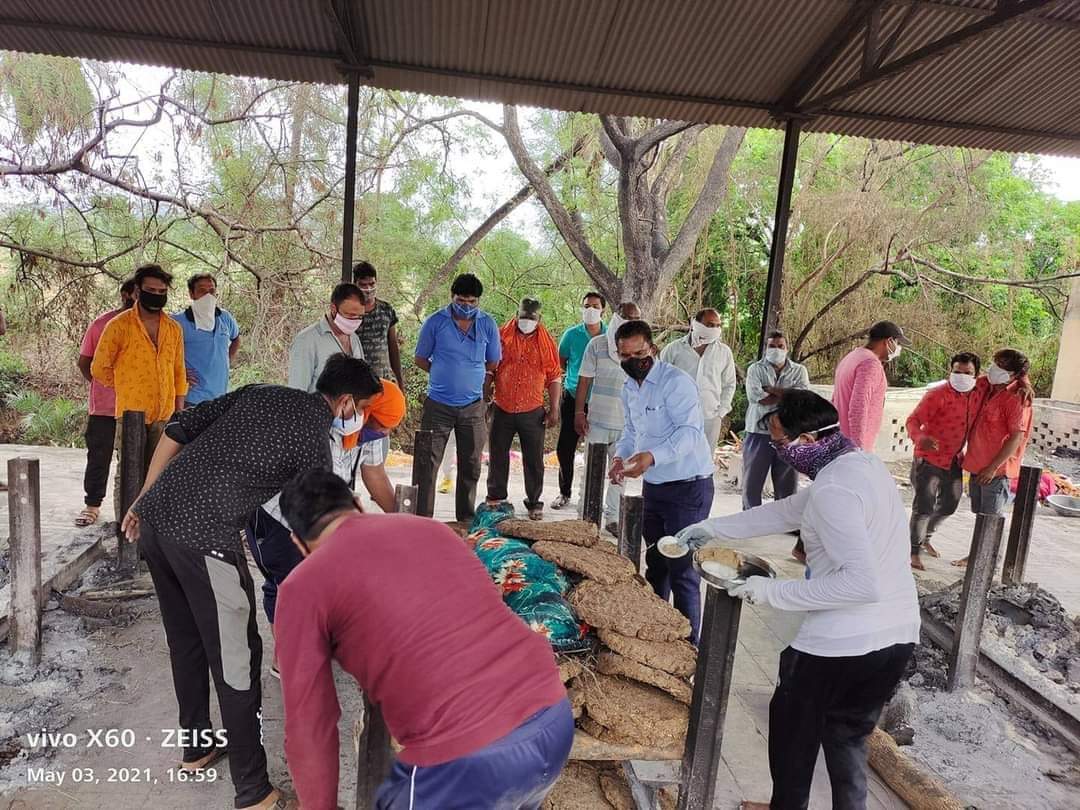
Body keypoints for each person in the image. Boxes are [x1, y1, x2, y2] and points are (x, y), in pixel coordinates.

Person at [120, 354, 382, 810]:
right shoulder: (313, 434)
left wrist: (144, 497)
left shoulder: (261, 390)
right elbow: (317, 517)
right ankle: (253, 790)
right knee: (239, 655)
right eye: (359, 407)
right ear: (344, 402)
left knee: (187, 642)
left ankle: (198, 747)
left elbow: (178, 429)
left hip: (157, 519)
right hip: (204, 536)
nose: (356, 416)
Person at [671, 390, 919, 810]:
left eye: (780, 442)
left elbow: (861, 584)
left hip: (843, 646)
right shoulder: (860, 465)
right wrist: (713, 528)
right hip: (896, 637)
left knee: (792, 745)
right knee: (847, 737)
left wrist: (769, 591)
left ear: (807, 442)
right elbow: (786, 511)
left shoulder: (833, 493)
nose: (777, 452)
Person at [275, 468, 573, 809]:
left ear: (298, 543)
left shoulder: (302, 586)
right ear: (358, 504)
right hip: (552, 717)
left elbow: (310, 722)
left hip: (466, 758)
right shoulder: (432, 529)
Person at [246, 373, 403, 678]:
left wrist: (403, 520)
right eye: (378, 425)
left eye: (387, 429)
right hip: (278, 513)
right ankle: (286, 660)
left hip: (320, 515)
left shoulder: (366, 430)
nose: (381, 432)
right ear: (359, 408)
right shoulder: (313, 425)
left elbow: (375, 476)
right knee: (287, 584)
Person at [609, 320, 714, 644]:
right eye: (625, 356)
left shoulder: (675, 383)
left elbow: (689, 433)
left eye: (639, 353)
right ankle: (659, 638)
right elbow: (631, 432)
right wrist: (620, 456)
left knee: (682, 570)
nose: (633, 362)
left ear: (652, 348)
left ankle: (688, 649)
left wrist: (651, 457)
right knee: (656, 564)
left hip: (688, 486)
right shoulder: (629, 388)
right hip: (655, 487)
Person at [91, 263, 188, 515]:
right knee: (129, 475)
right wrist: (126, 385)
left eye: (161, 291)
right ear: (137, 291)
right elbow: (99, 368)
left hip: (165, 414)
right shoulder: (119, 326)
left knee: (160, 474)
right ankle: (126, 535)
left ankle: (151, 537)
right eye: (150, 290)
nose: (156, 295)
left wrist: (179, 411)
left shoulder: (173, 328)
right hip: (131, 413)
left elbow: (179, 372)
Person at [414, 273, 501, 521]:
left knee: (471, 466)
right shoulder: (435, 322)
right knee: (427, 465)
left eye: (472, 302)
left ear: (479, 302)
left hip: (473, 407)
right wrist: (443, 371)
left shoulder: (487, 324)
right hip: (438, 405)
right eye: (461, 300)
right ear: (452, 297)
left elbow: (493, 361)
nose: (466, 306)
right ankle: (422, 521)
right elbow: (420, 358)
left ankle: (465, 520)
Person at [953, 348, 1034, 567]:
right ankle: (978, 556)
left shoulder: (1017, 398)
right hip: (977, 463)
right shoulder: (988, 386)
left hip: (996, 470)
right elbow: (964, 381)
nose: (993, 368)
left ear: (1012, 374)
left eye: (1000, 365)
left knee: (992, 518)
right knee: (981, 514)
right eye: (994, 362)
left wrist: (992, 468)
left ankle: (989, 562)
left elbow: (1016, 438)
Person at [905, 352, 983, 570]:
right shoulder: (937, 394)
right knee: (924, 507)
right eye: (957, 372)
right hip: (928, 459)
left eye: (967, 373)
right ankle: (912, 550)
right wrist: (921, 438)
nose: (961, 376)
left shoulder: (978, 393)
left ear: (976, 375)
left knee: (950, 504)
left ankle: (925, 536)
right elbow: (912, 421)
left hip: (954, 460)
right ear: (950, 371)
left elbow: (1005, 381)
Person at [486, 298, 562, 520]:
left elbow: (554, 376)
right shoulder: (501, 336)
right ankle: (496, 498)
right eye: (524, 316)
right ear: (516, 313)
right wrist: (485, 393)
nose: (527, 321)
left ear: (539, 318)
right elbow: (490, 367)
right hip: (502, 406)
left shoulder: (547, 343)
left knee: (534, 459)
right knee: (498, 454)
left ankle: (534, 501)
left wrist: (554, 408)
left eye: (532, 318)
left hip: (533, 409)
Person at [74, 278, 137, 527]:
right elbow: (84, 362)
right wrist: (104, 386)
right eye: (138, 293)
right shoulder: (102, 324)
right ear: (126, 294)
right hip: (104, 407)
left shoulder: (153, 326)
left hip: (136, 407)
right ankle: (92, 506)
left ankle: (131, 514)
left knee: (133, 460)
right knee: (99, 455)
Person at [575, 301, 641, 534]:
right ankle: (585, 516)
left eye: (635, 319)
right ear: (616, 317)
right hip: (598, 420)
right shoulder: (597, 345)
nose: (630, 322)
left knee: (620, 473)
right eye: (627, 317)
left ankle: (612, 517)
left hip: (627, 425)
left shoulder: (638, 351)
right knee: (592, 470)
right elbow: (584, 380)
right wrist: (579, 412)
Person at [741, 330, 810, 511]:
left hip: (788, 433)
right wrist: (789, 394)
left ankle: (785, 519)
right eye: (772, 346)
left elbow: (802, 398)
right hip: (759, 432)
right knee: (752, 481)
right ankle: (750, 518)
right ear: (766, 348)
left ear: (787, 349)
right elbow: (758, 398)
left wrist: (771, 389)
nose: (776, 350)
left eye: (781, 346)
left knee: (787, 482)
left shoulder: (799, 370)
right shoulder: (755, 369)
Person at [552, 292, 607, 510]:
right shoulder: (571, 335)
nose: (590, 310)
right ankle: (564, 492)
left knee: (598, 450)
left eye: (595, 306)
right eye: (587, 306)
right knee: (565, 448)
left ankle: (594, 497)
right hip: (574, 396)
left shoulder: (611, 335)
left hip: (600, 401)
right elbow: (561, 363)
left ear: (603, 310)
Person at [659, 308, 737, 452]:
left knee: (704, 464)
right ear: (696, 324)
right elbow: (660, 381)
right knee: (676, 461)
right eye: (710, 325)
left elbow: (729, 384)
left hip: (710, 417)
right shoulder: (673, 349)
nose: (715, 329)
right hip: (677, 418)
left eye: (718, 325)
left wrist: (720, 413)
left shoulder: (724, 352)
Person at [832, 321, 911, 451]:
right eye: (898, 343)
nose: (898, 348)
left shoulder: (852, 357)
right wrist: (859, 449)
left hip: (840, 440)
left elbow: (835, 399)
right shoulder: (870, 364)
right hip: (852, 447)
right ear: (889, 341)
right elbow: (858, 407)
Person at [173, 273, 240, 405]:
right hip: (190, 398)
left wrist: (227, 360)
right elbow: (163, 354)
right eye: (202, 290)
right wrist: (178, 373)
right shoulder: (177, 323)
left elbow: (236, 338)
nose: (208, 295)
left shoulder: (224, 317)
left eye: (211, 290)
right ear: (192, 294)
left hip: (220, 396)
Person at [288, 283, 366, 392]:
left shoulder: (354, 339)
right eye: (351, 315)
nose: (356, 321)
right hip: (315, 409)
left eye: (360, 316)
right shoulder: (307, 340)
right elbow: (296, 393)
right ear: (333, 309)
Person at [352, 261, 405, 390]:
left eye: (372, 284)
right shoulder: (349, 312)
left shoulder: (386, 310)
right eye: (363, 285)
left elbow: (393, 346)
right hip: (356, 383)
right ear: (355, 285)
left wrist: (400, 382)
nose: (368, 289)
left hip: (383, 381)